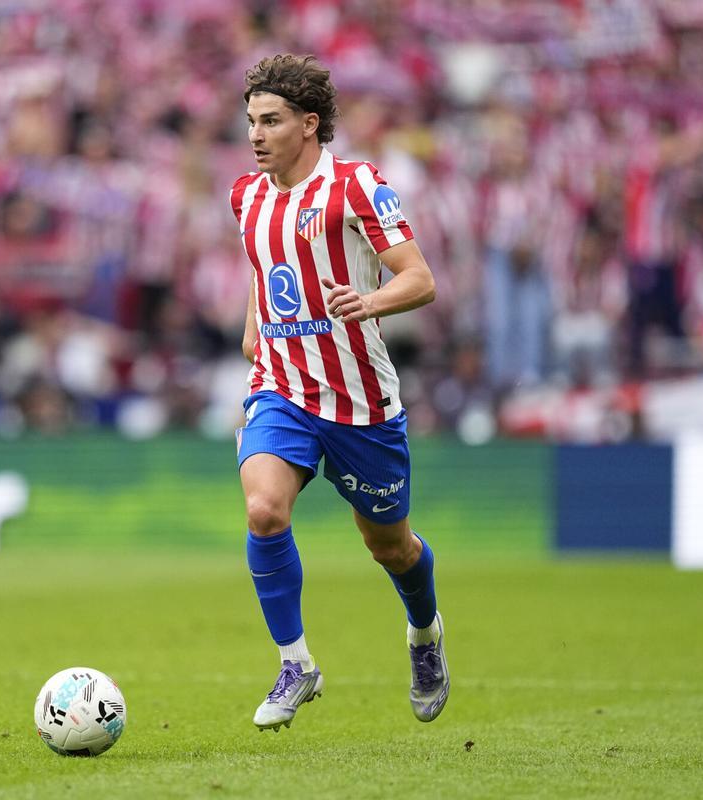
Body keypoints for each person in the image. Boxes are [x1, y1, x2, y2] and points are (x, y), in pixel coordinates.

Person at [230, 54, 447, 731]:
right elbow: (263, 270)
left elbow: (420, 278)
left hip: (359, 401)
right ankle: (296, 663)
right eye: (250, 122)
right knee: (264, 511)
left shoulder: (357, 186)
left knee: (391, 546)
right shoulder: (247, 195)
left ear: (310, 124)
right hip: (281, 388)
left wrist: (368, 301)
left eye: (271, 121)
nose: (256, 135)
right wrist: (254, 333)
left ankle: (424, 633)